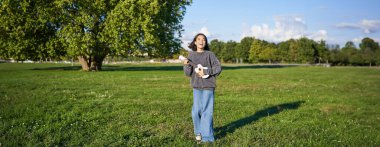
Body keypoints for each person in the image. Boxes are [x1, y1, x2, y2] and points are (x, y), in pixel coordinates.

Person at [183, 33, 222, 143]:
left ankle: (207, 138)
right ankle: (198, 133)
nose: (201, 41)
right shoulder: (191, 55)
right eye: (199, 39)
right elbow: (188, 73)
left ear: (205, 42)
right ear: (195, 42)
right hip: (196, 86)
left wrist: (206, 71)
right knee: (196, 111)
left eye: (203, 39)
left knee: (206, 111)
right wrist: (186, 65)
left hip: (208, 86)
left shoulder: (210, 54)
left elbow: (218, 68)